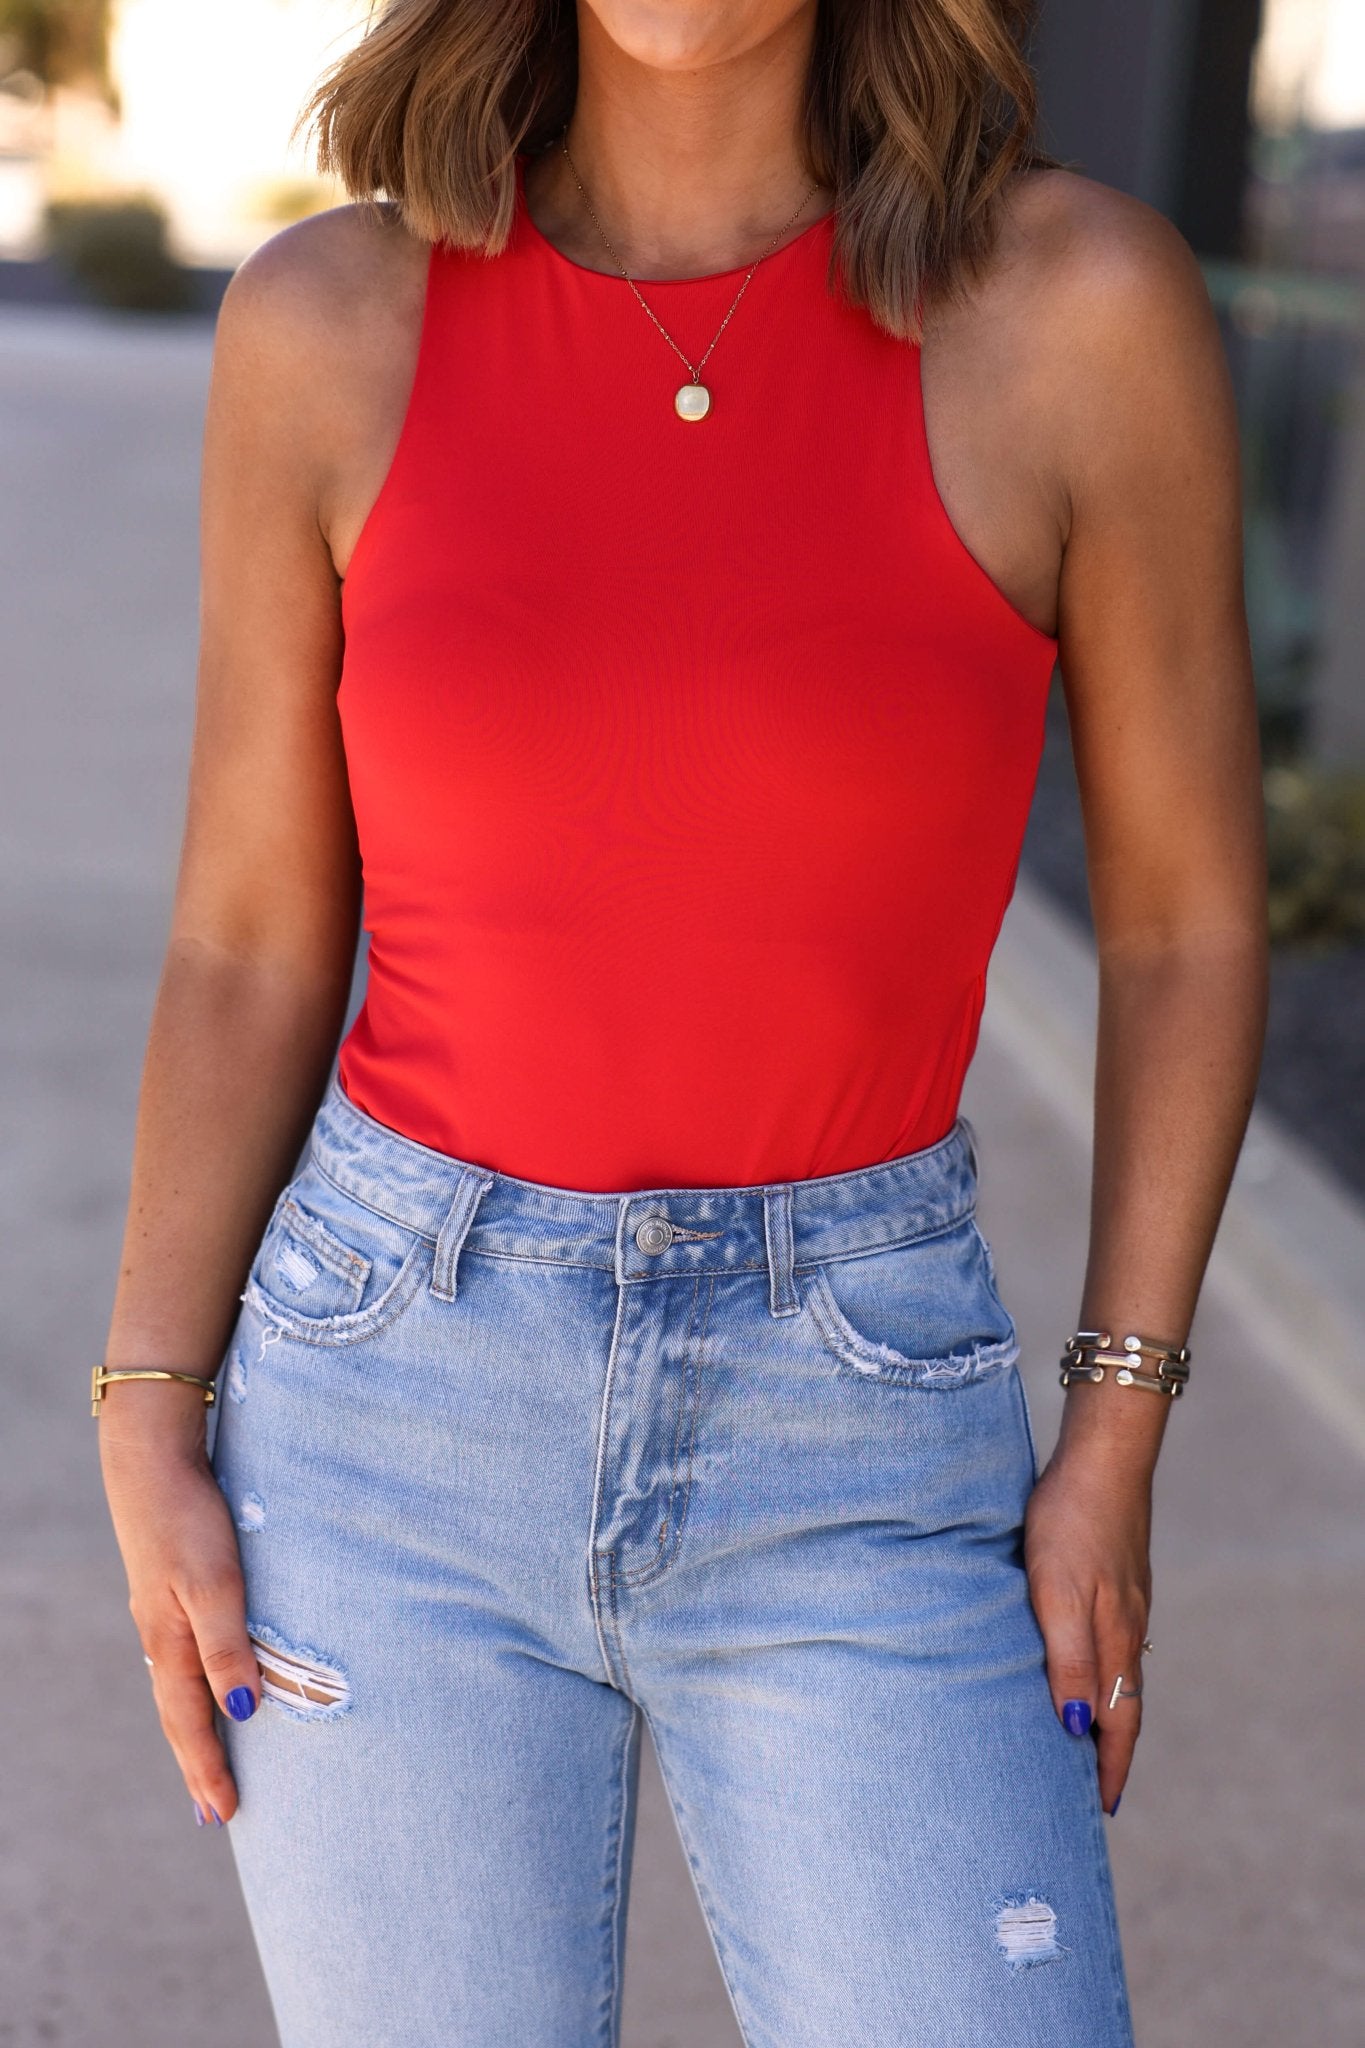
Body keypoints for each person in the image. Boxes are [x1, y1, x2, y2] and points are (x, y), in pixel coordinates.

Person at [94, 1, 1268, 2042]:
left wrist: (1115, 1419)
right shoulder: (329, 322)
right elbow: (249, 939)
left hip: (861, 1413)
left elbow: (1179, 926)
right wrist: (143, 1404)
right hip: (385, 1412)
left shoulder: (1072, 309)